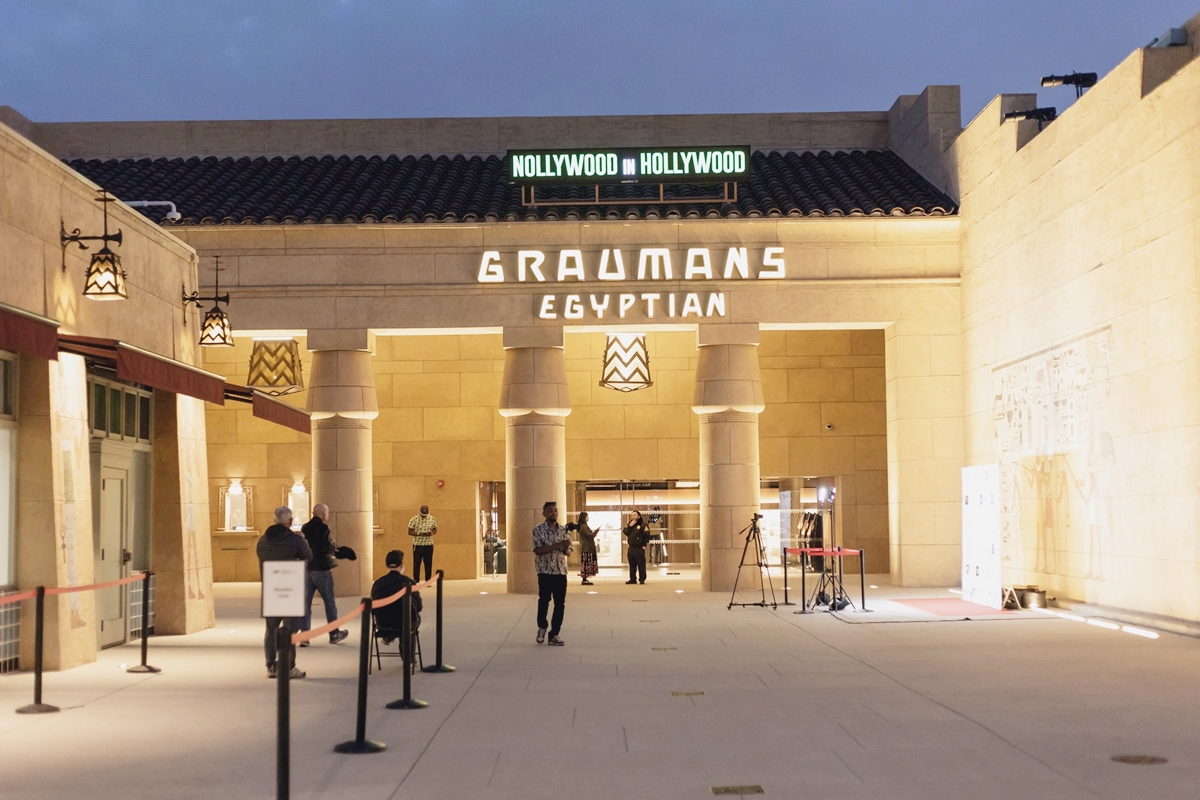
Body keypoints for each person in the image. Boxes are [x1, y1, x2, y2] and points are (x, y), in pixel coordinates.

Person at [256, 506, 311, 679]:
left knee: (271, 629)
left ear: (274, 520)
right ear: (290, 521)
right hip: (290, 587)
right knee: (290, 630)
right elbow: (308, 557)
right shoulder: (296, 540)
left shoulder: (263, 540)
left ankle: (271, 666)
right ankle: (289, 666)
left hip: (271, 587)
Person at [299, 503, 349, 646]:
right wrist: (333, 546)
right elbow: (325, 547)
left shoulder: (305, 527)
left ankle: (304, 636)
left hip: (307, 569)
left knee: (305, 604)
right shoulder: (324, 528)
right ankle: (334, 633)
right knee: (329, 602)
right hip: (321, 569)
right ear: (323, 513)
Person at [532, 500, 570, 646]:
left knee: (560, 604)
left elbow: (568, 551)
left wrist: (566, 548)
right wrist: (558, 545)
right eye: (550, 511)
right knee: (544, 601)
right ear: (544, 513)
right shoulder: (537, 530)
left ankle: (554, 634)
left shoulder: (564, 530)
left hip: (560, 572)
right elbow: (538, 550)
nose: (553, 513)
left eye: (555, 510)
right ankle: (542, 626)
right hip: (545, 572)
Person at [371, 550, 423, 645]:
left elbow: (373, 608)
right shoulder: (409, 582)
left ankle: (389, 635)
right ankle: (407, 651)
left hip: (383, 624)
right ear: (401, 565)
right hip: (405, 623)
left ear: (386, 565)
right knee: (414, 617)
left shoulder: (378, 583)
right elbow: (419, 607)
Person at [407, 504, 438, 582]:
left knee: (428, 563)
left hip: (429, 544)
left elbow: (435, 529)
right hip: (418, 544)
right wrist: (419, 534)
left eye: (425, 515)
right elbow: (409, 531)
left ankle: (428, 580)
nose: (424, 516)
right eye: (422, 515)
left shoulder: (431, 518)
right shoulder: (414, 519)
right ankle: (416, 580)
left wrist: (431, 533)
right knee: (417, 563)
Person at [624, 510, 650, 585]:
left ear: (638, 516)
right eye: (632, 515)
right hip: (631, 547)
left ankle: (642, 579)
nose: (633, 517)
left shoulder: (643, 525)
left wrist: (644, 546)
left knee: (641, 564)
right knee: (632, 564)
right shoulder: (630, 524)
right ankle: (632, 579)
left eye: (634, 515)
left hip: (639, 548)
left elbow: (646, 536)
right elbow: (625, 532)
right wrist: (629, 526)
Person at [576, 511, 598, 586]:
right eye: (587, 516)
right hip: (586, 547)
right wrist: (596, 532)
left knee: (585, 563)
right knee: (586, 563)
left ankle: (585, 578)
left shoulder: (584, 526)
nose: (588, 518)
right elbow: (590, 536)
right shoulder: (583, 526)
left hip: (586, 547)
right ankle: (584, 579)